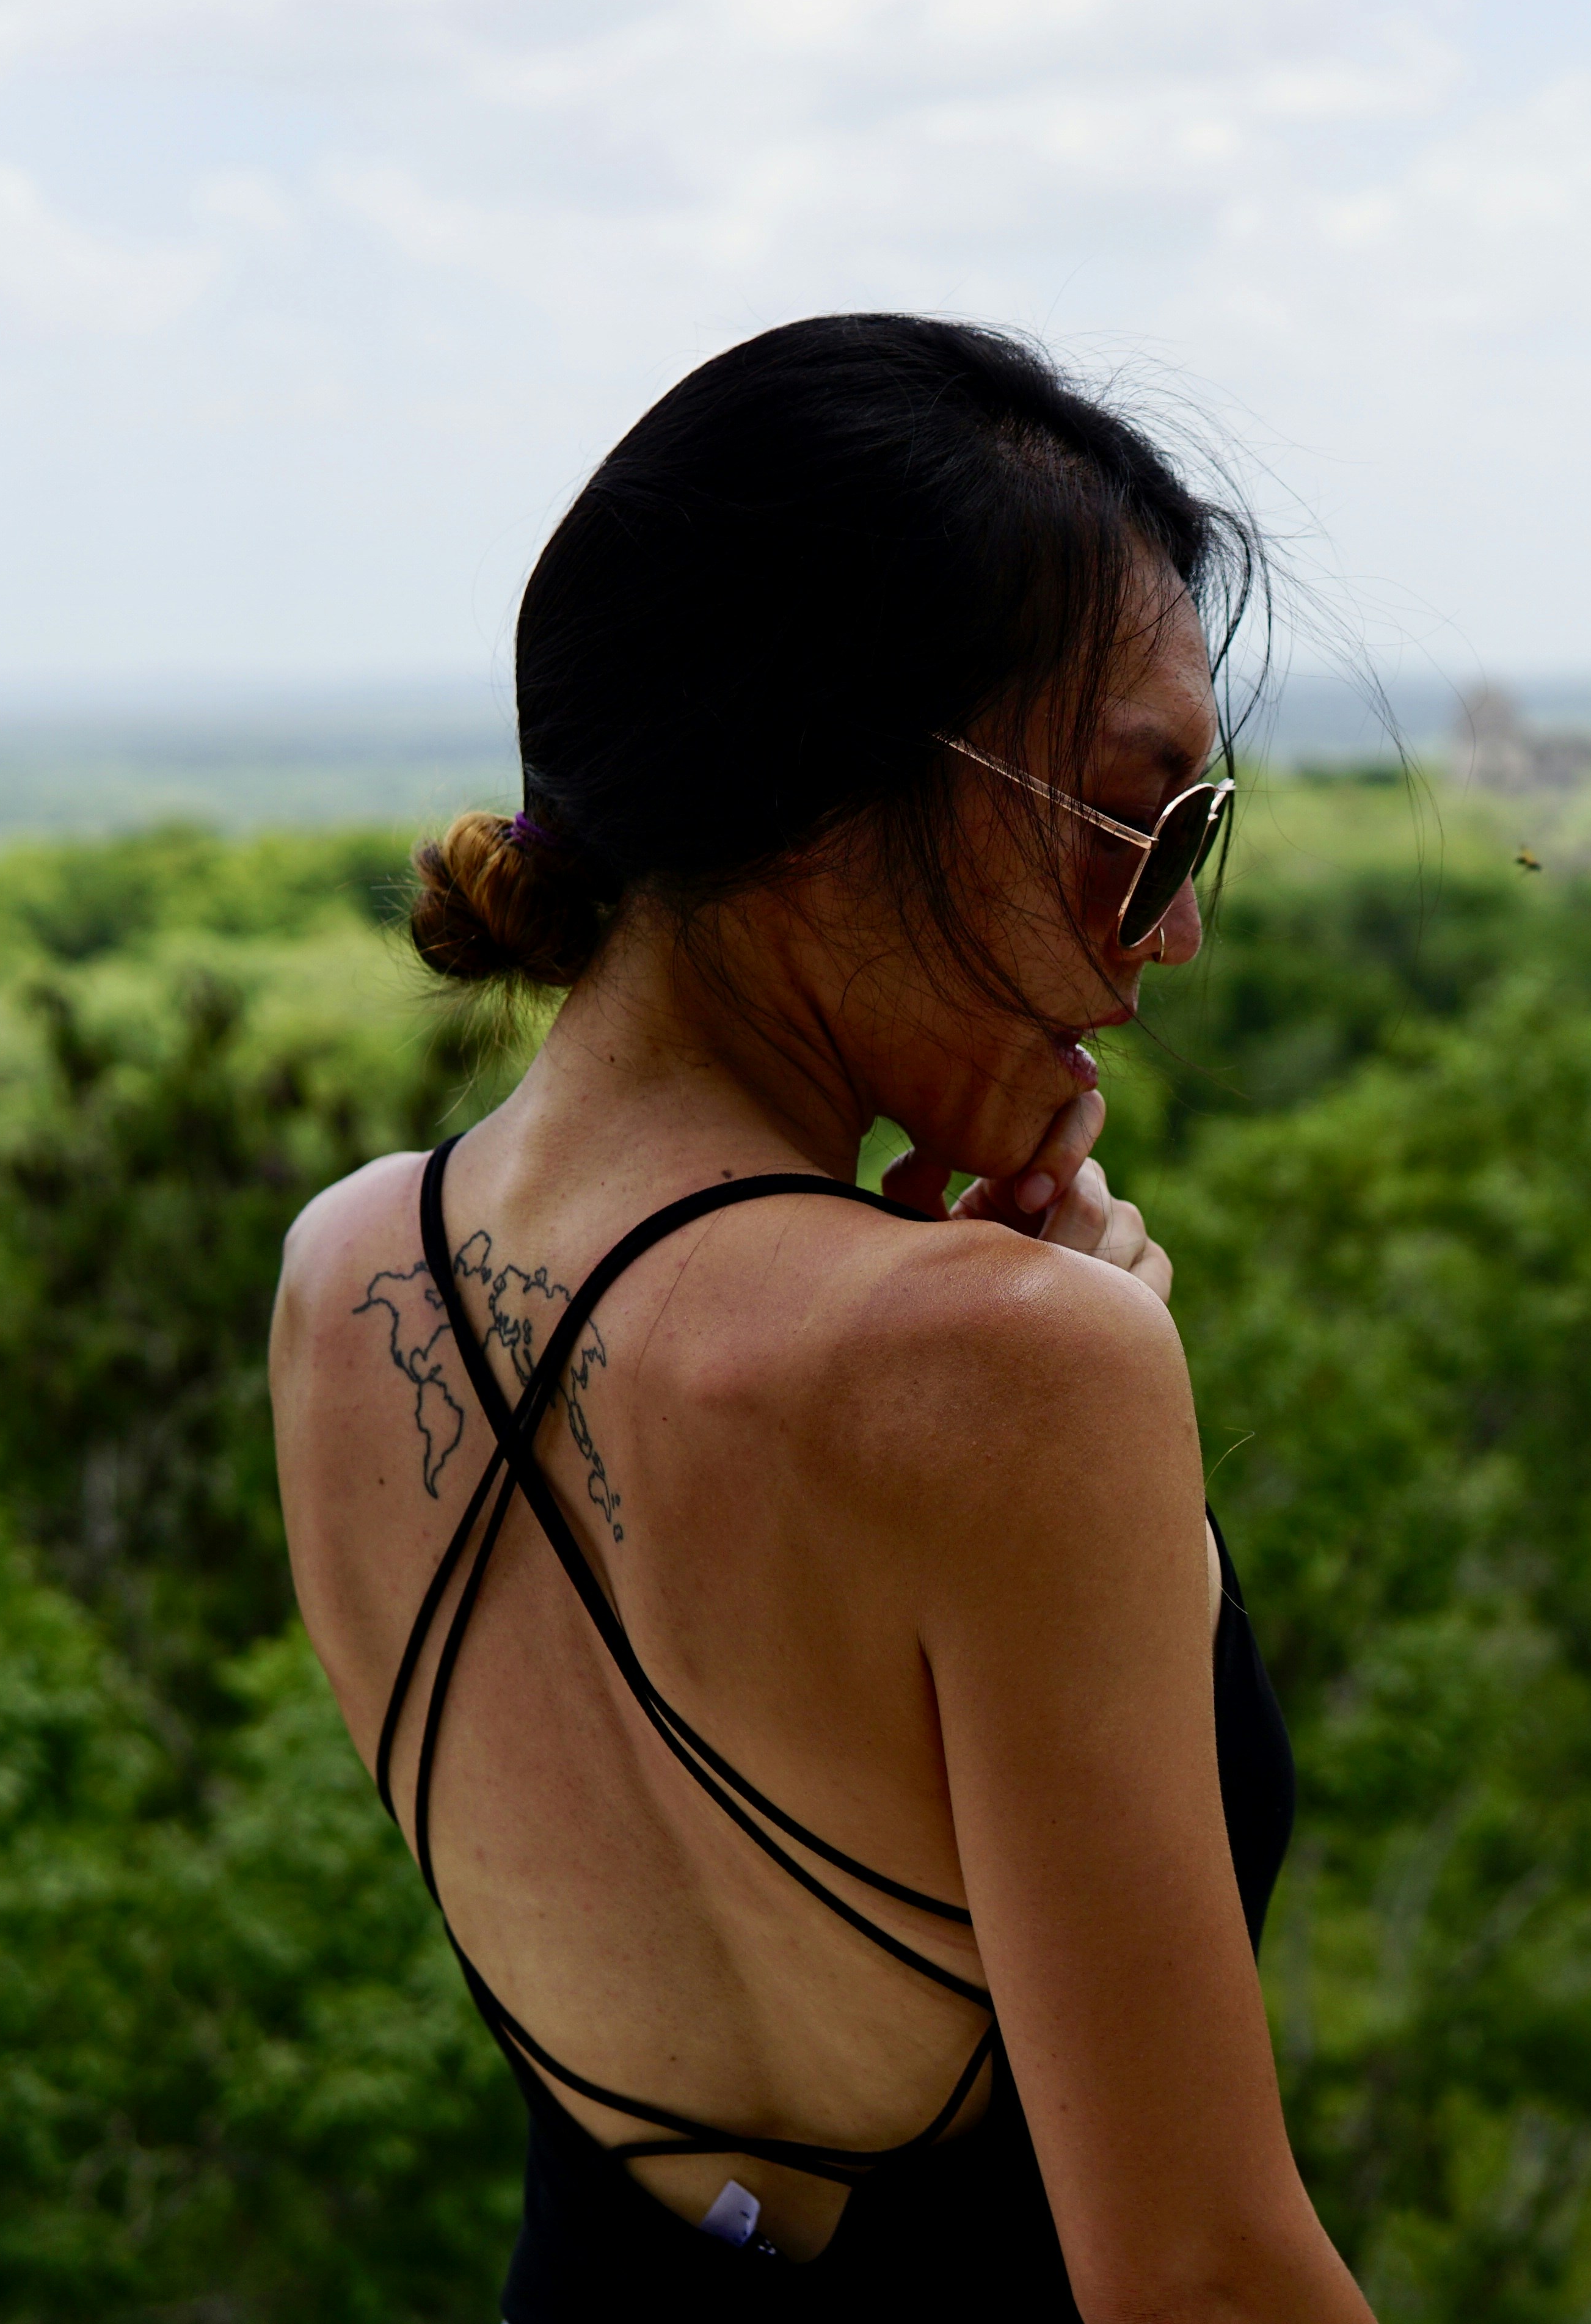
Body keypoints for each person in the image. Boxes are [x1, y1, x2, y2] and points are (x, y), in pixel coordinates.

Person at [266, 315, 1372, 2322]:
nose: (1179, 923)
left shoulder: (340, 1278)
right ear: (822, 785)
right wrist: (1067, 1402)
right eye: (1144, 820)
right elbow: (1200, 2280)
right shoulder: (1013, 1374)